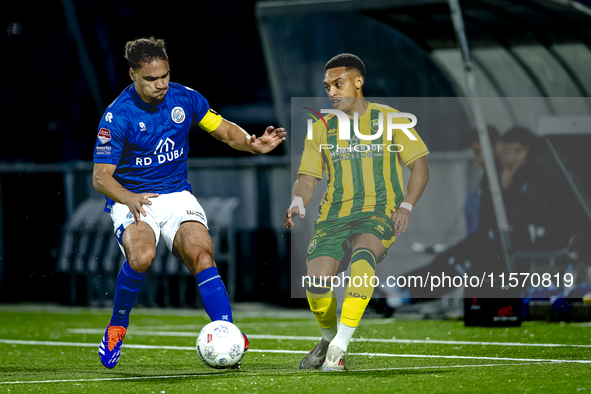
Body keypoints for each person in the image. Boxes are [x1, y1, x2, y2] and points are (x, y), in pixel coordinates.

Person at [92, 37, 286, 369]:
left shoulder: (185, 98)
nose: (160, 84)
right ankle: (117, 326)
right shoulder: (117, 117)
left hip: (177, 196)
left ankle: (227, 331)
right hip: (133, 198)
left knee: (202, 253)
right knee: (142, 257)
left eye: (164, 75)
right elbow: (101, 177)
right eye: (151, 79)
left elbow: (223, 130)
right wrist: (127, 197)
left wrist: (252, 144)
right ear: (132, 75)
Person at [284, 54, 430, 371]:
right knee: (316, 282)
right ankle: (327, 338)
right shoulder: (320, 129)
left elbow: (419, 167)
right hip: (333, 217)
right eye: (327, 87)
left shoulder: (391, 119)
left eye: (339, 84)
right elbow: (307, 179)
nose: (332, 92)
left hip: (379, 212)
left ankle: (340, 347)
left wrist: (406, 205)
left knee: (363, 257)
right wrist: (298, 201)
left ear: (358, 82)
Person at [400, 126, 571, 300]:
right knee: (463, 252)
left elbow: (533, 218)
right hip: (508, 238)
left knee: (471, 252)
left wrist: (506, 191)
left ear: (518, 149)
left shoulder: (541, 175)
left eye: (504, 152)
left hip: (532, 240)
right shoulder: (511, 175)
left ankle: (405, 292)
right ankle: (404, 289)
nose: (501, 158)